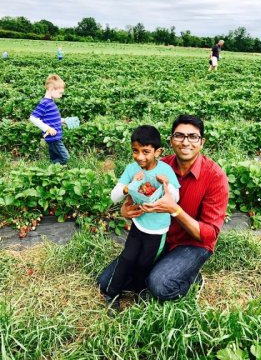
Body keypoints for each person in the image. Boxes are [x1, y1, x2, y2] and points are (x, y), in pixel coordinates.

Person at [97, 114, 229, 303]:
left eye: (193, 137)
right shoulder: (159, 166)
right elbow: (134, 193)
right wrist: (124, 212)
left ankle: (191, 278)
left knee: (159, 285)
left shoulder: (215, 177)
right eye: (179, 136)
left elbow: (209, 235)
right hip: (158, 235)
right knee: (106, 281)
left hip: (192, 243)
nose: (185, 142)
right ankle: (163, 266)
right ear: (170, 141)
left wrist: (174, 210)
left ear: (201, 142)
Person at [102, 125, 180, 309]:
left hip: (158, 229)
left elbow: (176, 198)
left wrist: (167, 185)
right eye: (135, 151)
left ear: (158, 151)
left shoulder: (166, 171)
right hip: (138, 224)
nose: (140, 157)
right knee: (127, 258)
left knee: (145, 262)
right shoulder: (132, 170)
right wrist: (129, 186)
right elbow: (114, 196)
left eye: (146, 151)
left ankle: (139, 293)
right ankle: (111, 294)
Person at [29, 74, 70, 165]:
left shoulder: (50, 102)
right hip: (53, 136)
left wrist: (63, 120)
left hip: (55, 135)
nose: (61, 95)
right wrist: (47, 128)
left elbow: (51, 118)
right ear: (51, 89)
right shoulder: (44, 103)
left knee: (55, 155)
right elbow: (33, 118)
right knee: (65, 157)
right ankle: (54, 166)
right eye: (60, 93)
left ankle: (53, 170)